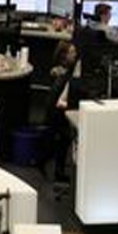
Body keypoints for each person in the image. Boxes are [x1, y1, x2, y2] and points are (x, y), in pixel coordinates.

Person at [48, 40, 78, 183]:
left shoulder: (62, 72)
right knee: (63, 140)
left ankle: (57, 170)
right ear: (64, 56)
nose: (75, 54)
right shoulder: (64, 76)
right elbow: (59, 102)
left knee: (63, 141)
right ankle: (58, 173)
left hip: (57, 112)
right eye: (72, 52)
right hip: (57, 114)